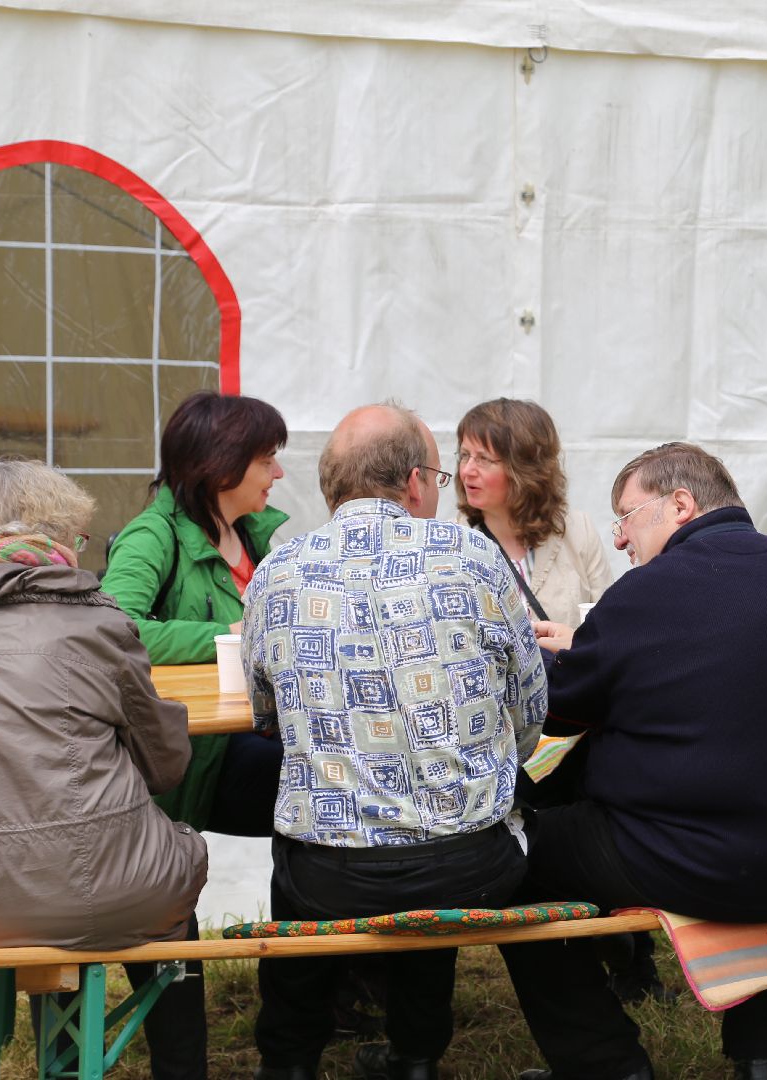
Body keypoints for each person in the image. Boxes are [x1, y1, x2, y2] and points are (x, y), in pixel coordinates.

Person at [503, 442, 767, 1080]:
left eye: (626, 517)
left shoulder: (646, 593)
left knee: (515, 862)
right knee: (748, 796)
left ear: (680, 504)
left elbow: (560, 709)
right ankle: (761, 1058)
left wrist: (542, 652)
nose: (622, 540)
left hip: (718, 861)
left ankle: (608, 1065)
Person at [241, 402, 547, 1080]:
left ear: (332, 488)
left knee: (303, 851)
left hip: (329, 878)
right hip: (470, 867)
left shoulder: (276, 572)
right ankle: (416, 1055)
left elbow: (266, 717)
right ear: (414, 481)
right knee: (437, 826)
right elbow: (530, 706)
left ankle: (289, 1060)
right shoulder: (474, 555)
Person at [0, 459, 210, 1079]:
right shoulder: (96, 618)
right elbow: (166, 766)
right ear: (58, 534)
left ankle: (57, 1064)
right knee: (145, 875)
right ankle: (182, 1070)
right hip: (103, 890)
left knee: (58, 865)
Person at [102, 390, 289, 834]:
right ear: (222, 464)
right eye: (266, 461)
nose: (278, 473)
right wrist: (227, 634)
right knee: (315, 782)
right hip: (198, 750)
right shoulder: (151, 535)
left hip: (251, 726)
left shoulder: (252, 535)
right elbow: (109, 630)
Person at [456, 397, 614, 627]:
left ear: (523, 468)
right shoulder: (450, 541)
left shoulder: (578, 531)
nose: (467, 470)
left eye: (483, 459)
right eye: (464, 455)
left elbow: (609, 629)